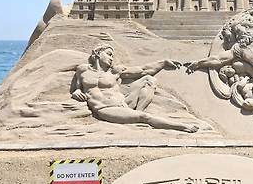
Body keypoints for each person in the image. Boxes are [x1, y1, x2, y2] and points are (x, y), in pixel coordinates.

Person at [70, 45, 199, 133]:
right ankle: (183, 127)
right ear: (98, 53)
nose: (111, 58)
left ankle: (137, 114)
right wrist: (76, 91)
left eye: (112, 56)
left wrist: (163, 62)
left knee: (149, 79)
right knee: (145, 117)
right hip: (105, 108)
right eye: (109, 54)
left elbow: (143, 70)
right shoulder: (83, 70)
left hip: (124, 104)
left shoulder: (114, 71)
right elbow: (77, 87)